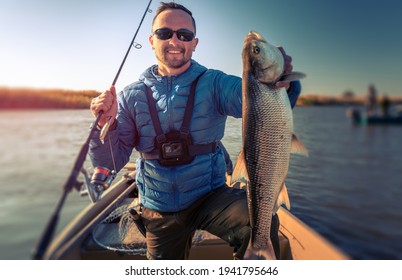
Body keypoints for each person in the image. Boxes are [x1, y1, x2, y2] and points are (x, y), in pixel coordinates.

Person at [89, 1, 302, 260]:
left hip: (210, 196)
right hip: (157, 207)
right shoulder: (130, 96)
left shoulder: (215, 82)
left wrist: (283, 83)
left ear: (194, 43)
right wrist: (104, 125)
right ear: (151, 40)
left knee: (261, 223)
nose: (175, 40)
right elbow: (108, 161)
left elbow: (254, 98)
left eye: (184, 35)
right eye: (164, 33)